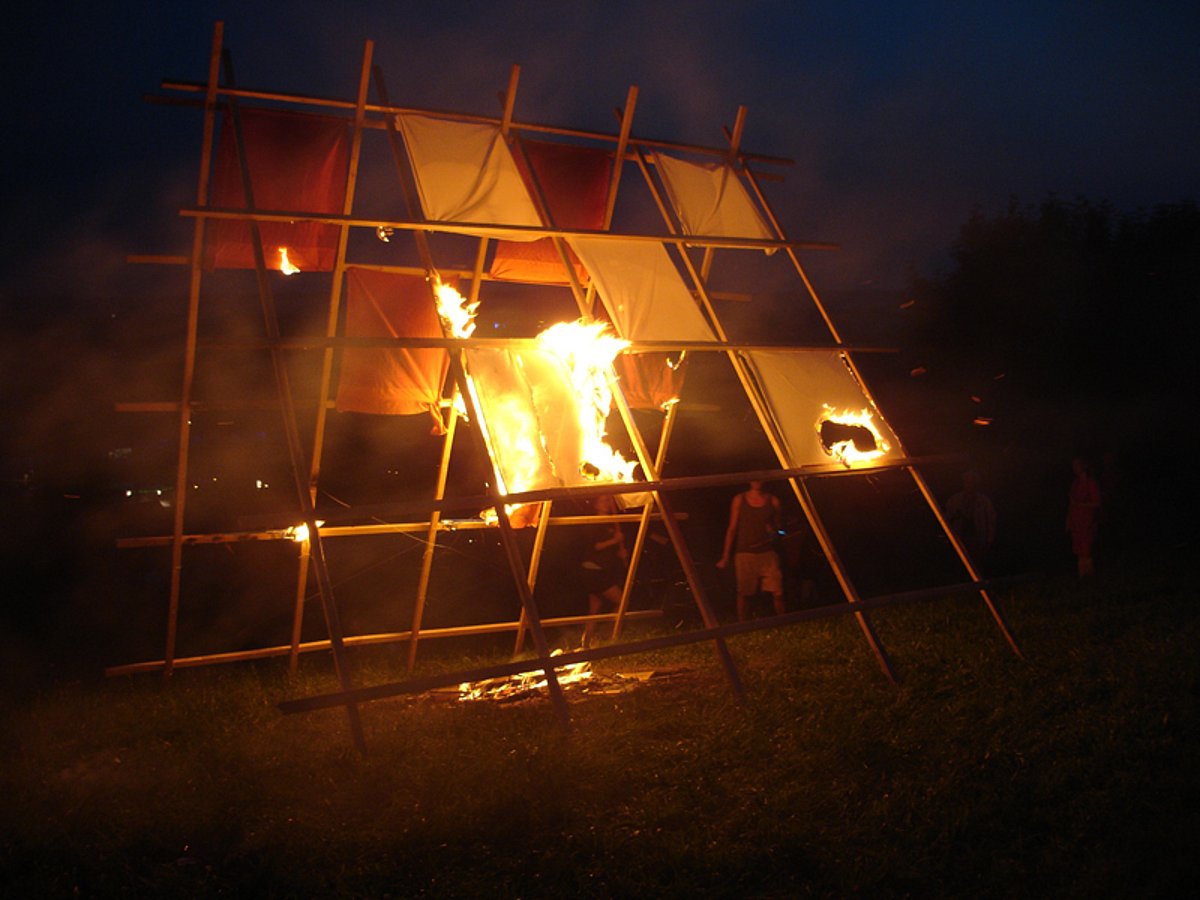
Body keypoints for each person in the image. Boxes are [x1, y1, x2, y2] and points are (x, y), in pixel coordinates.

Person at [717, 481, 785, 621]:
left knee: (778, 592)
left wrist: (773, 532)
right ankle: (742, 625)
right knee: (744, 593)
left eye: (760, 478)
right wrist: (725, 556)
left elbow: (779, 528)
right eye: (754, 479)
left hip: (767, 553)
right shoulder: (739, 499)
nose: (757, 482)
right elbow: (732, 528)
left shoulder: (773, 501)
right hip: (745, 552)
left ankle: (785, 622)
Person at [580, 494, 627, 648]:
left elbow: (607, 550)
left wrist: (620, 553)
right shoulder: (593, 522)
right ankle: (608, 634)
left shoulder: (609, 522)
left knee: (594, 609)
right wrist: (615, 540)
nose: (607, 503)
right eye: (604, 500)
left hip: (599, 570)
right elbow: (596, 546)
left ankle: (586, 643)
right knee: (622, 601)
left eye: (608, 500)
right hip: (594, 570)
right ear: (596, 504)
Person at [944, 470, 997, 568]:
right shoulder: (954, 500)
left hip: (977, 538)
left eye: (972, 482)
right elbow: (946, 519)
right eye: (967, 481)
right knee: (960, 563)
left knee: (976, 564)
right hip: (959, 537)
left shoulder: (984, 501)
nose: (969, 484)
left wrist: (989, 539)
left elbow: (991, 521)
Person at [1066, 457, 1102, 578]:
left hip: (1087, 520)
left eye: (1076, 465)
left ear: (1083, 466)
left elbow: (1097, 502)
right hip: (1076, 519)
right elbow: (1071, 503)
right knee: (1078, 548)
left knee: (1087, 547)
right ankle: (1082, 576)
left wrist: (1081, 504)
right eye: (1073, 466)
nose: (1074, 468)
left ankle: (1090, 576)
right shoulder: (1075, 483)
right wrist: (1068, 520)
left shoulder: (1091, 483)